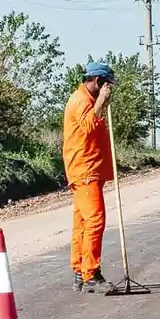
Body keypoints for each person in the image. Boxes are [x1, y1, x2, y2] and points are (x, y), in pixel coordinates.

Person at [62, 61, 116, 292]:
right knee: (95, 221)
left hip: (87, 168)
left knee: (82, 223)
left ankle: (79, 270)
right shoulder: (82, 100)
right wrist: (102, 101)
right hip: (85, 169)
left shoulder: (86, 99)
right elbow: (88, 127)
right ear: (97, 81)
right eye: (107, 85)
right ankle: (90, 273)